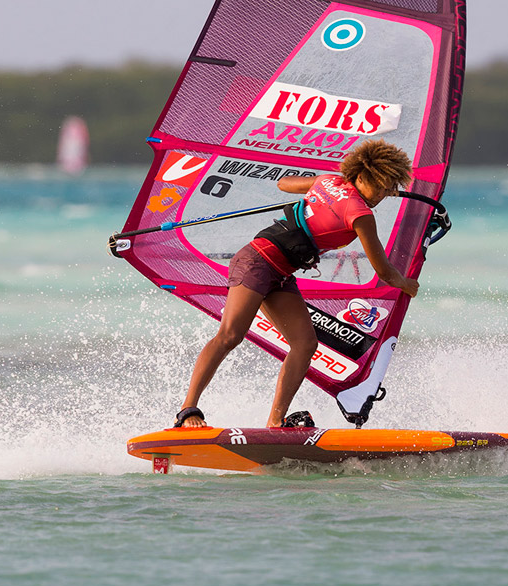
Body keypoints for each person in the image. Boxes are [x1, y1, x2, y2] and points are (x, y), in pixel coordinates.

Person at [173, 139, 421, 430]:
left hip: (281, 272)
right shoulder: (361, 214)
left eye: (390, 187)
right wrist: (406, 284)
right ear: (365, 176)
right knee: (230, 335)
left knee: (305, 344)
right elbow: (384, 271)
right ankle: (187, 411)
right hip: (256, 261)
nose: (383, 194)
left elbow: (284, 183)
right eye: (381, 185)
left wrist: (317, 194)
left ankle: (276, 422)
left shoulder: (329, 181)